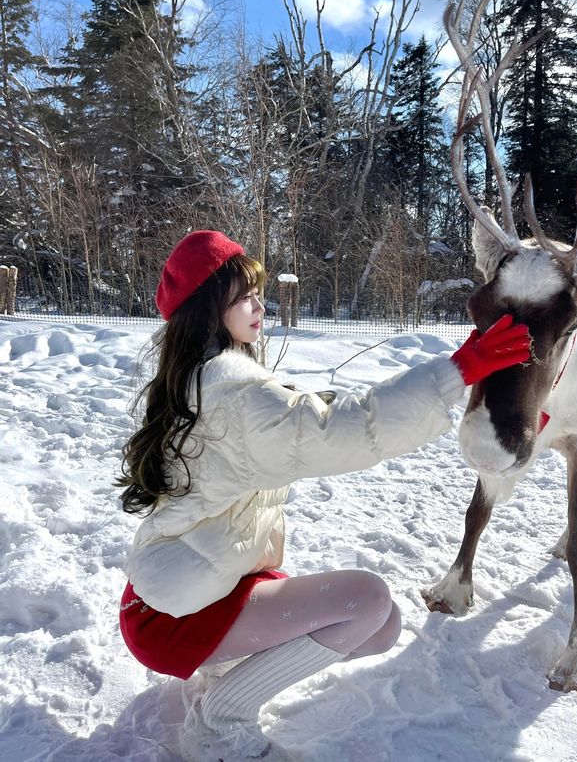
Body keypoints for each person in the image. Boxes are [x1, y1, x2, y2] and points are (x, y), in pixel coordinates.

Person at [116, 230, 530, 762]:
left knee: (380, 629)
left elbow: (302, 418)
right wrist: (457, 373)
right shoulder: (232, 393)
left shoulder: (199, 381)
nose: (258, 304)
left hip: (180, 595)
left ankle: (220, 669)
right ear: (209, 308)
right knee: (368, 601)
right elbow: (340, 429)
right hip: (173, 617)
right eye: (244, 296)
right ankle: (221, 723)